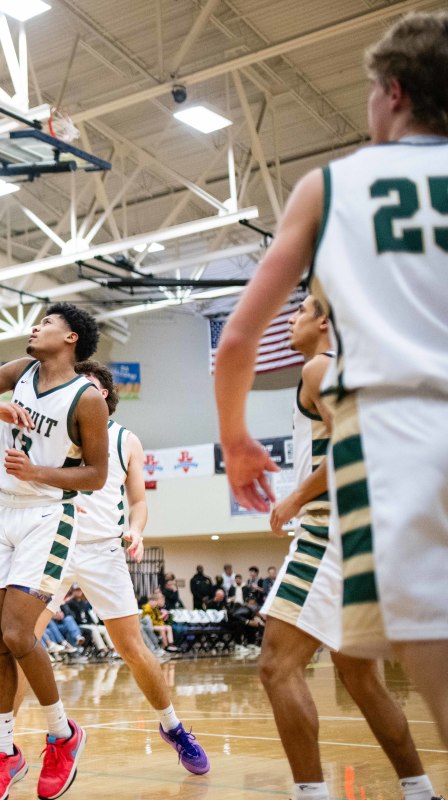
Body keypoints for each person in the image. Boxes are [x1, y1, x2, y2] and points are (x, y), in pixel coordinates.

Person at [214, 10, 448, 761]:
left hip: (397, 441)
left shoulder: (333, 186)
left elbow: (240, 339)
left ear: (394, 93)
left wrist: (238, 441)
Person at [0, 359, 205, 776]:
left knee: (132, 648)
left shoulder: (126, 440)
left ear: (104, 396)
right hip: (50, 538)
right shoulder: (52, 424)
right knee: (22, 641)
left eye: (87, 386)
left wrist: (137, 529)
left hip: (101, 549)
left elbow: (139, 501)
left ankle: (174, 727)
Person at [243, 297, 434, 800]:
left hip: (331, 529)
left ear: (324, 322)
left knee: (276, 666)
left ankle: (312, 794)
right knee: (360, 675)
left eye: (302, 310)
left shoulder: (318, 367)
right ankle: (420, 791)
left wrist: (295, 497)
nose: (291, 318)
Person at [0, 302, 109, 800]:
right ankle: (4, 751)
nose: (35, 327)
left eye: (47, 323)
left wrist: (37, 471)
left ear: (70, 340)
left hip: (47, 513)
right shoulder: (20, 372)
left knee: (19, 632)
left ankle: (62, 735)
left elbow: (96, 475)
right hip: (0, 512)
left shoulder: (86, 399)